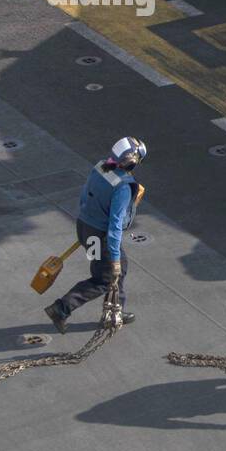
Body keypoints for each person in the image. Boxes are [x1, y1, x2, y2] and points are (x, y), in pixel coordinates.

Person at [44, 137, 147, 333]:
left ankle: (114, 313)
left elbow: (85, 194)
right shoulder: (124, 186)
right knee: (107, 277)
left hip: (85, 228)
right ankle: (61, 308)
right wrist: (114, 257)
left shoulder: (102, 167)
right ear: (132, 160)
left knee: (111, 271)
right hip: (101, 236)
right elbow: (115, 225)